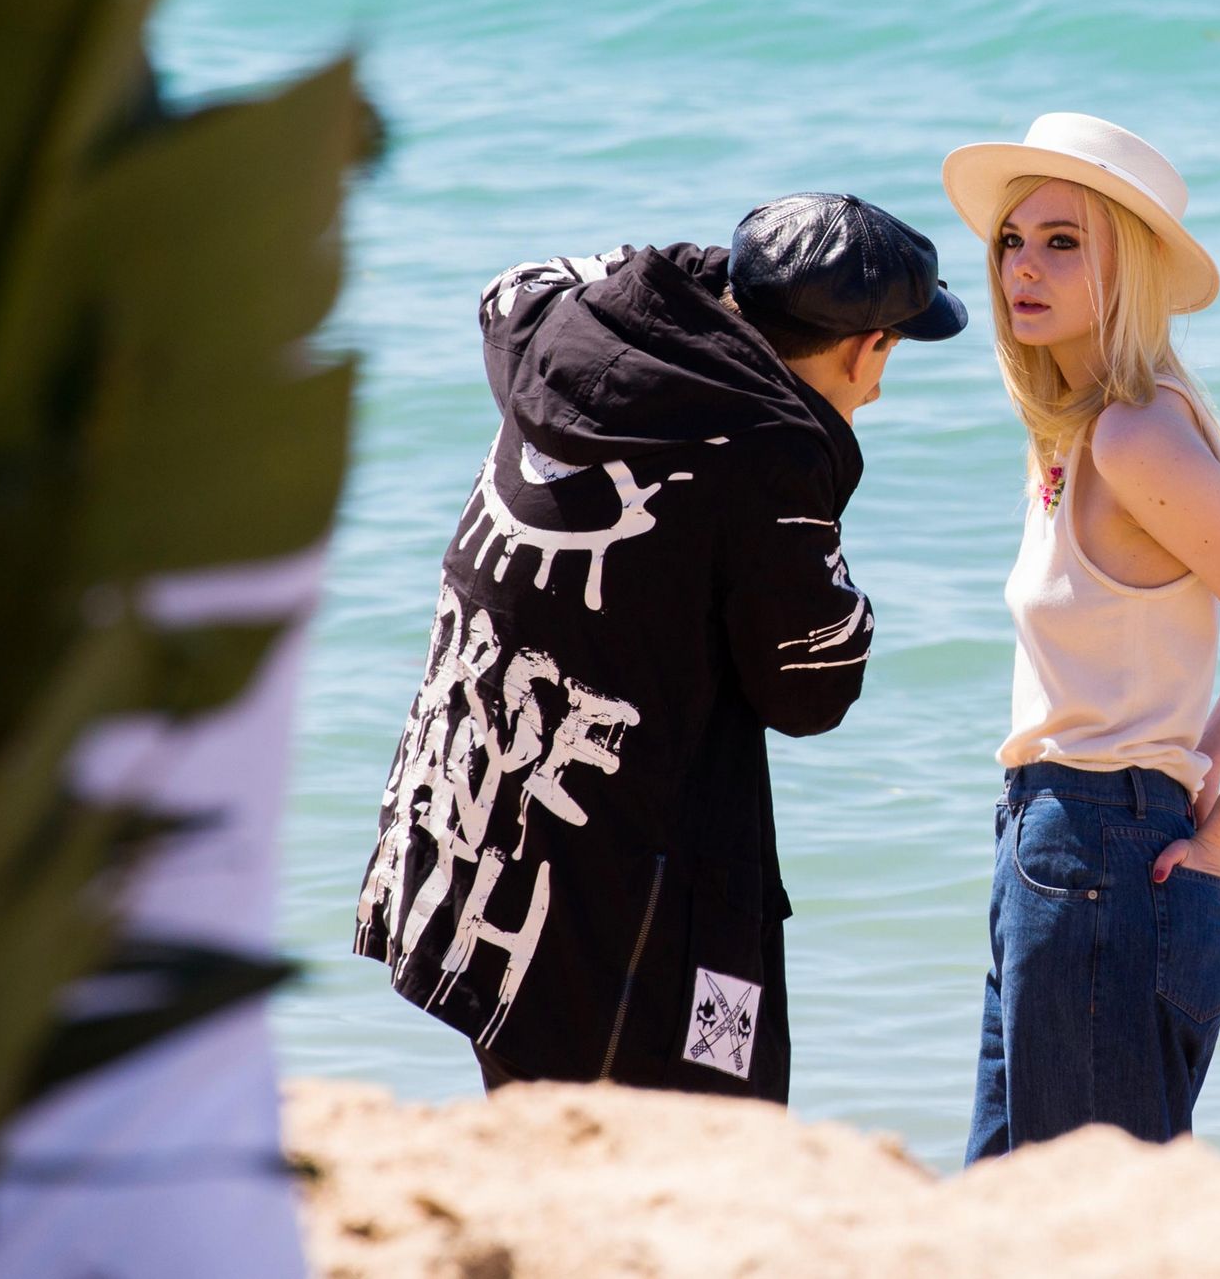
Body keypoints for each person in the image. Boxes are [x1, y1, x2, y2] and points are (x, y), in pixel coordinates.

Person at [353, 194, 967, 1103]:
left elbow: (512, 286)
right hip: (615, 900)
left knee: (527, 1099)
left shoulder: (560, 335)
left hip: (473, 834)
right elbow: (815, 687)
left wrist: (695, 274)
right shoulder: (771, 459)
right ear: (865, 348)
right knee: (719, 1120)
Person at [941, 113, 1220, 1160]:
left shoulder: (1132, 433)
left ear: (1126, 266)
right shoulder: (1092, 428)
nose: (1022, 266)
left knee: (1077, 1222)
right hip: (1067, 851)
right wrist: (1194, 767)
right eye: (1010, 242)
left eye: (1062, 241)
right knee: (1008, 1208)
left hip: (1094, 861)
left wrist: (1214, 834)